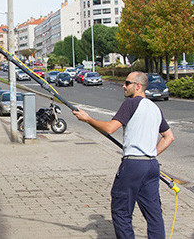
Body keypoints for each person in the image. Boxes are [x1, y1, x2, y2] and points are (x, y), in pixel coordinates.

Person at [73, 71, 175, 239]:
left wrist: (88, 119)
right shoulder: (155, 108)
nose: (124, 86)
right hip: (151, 166)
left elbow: (110, 128)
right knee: (154, 213)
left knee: (121, 211)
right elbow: (169, 137)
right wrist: (150, 153)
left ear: (138, 86)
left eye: (127, 83)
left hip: (133, 166)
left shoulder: (131, 104)